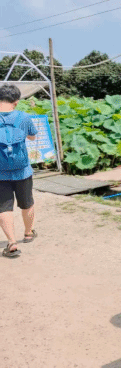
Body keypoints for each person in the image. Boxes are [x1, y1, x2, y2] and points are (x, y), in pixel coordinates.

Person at [0, 85, 38, 258]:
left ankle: (11, 242)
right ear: (16, 102)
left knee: (4, 208)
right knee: (27, 203)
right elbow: (32, 137)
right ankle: (28, 233)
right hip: (22, 171)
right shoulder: (23, 117)